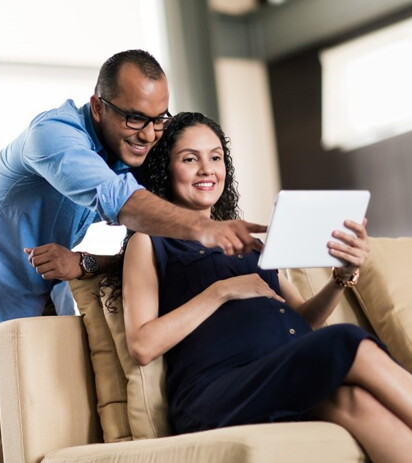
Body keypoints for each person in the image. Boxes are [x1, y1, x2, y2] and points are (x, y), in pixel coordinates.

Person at [0, 50, 267, 463]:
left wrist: (86, 262)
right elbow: (120, 201)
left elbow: (145, 250)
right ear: (98, 106)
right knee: (5, 426)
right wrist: (204, 228)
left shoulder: (135, 149)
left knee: (55, 422)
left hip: (47, 279)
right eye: (135, 118)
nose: (148, 134)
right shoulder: (53, 136)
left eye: (159, 118)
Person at [113, 111, 412, 463]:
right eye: (190, 159)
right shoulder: (150, 242)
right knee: (346, 339)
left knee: (351, 402)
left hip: (281, 372)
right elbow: (143, 345)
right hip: (219, 391)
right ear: (165, 168)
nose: (207, 169)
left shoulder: (249, 242)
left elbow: (306, 319)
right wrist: (221, 291)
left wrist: (340, 277)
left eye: (215, 157)